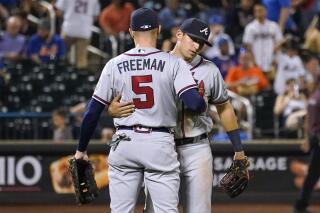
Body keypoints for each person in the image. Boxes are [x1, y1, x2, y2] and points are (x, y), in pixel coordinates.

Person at [109, 18, 249, 213]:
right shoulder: (155, 64)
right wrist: (111, 110)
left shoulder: (210, 70)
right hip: (162, 146)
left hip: (197, 147)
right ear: (179, 35)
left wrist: (238, 150)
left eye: (201, 43)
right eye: (193, 39)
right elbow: (135, 102)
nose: (197, 46)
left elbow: (225, 108)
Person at [73, 8, 207, 213]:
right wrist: (201, 98)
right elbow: (195, 105)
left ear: (130, 32)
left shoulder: (114, 64)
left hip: (124, 142)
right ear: (159, 30)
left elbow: (92, 113)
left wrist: (81, 150)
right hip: (158, 143)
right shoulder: (174, 63)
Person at [292, 75, 320, 213]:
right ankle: (300, 206)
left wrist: (307, 138)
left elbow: (308, 119)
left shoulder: (314, 96)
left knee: (313, 174)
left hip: (315, 137)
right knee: (312, 174)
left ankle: (300, 205)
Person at [55, 0, 100, 69]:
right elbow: (96, 16)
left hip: (69, 28)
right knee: (81, 59)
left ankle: (60, 70)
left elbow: (58, 11)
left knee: (61, 53)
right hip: (84, 30)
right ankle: (80, 76)